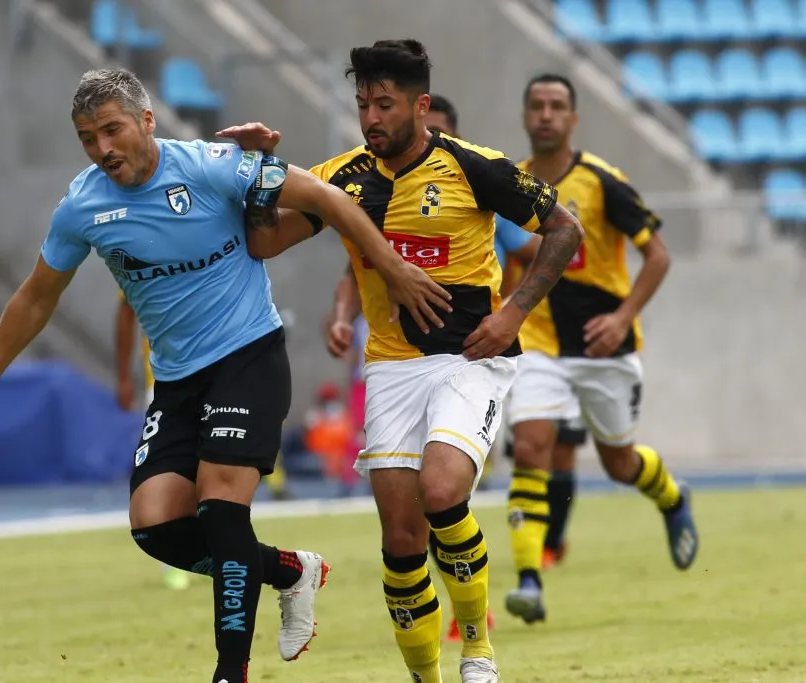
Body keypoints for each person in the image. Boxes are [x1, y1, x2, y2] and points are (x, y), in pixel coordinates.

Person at [0, 67, 449, 683]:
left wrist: (392, 268)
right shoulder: (82, 206)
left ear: (147, 122)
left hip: (248, 357)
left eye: (112, 130)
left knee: (219, 511)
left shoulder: (210, 166)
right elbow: (36, 297)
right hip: (178, 380)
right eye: (86, 137)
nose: (102, 149)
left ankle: (228, 673)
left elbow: (329, 198)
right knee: (156, 527)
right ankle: (290, 571)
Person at [223, 40, 583, 683]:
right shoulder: (340, 177)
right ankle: (427, 676)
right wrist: (261, 170)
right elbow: (263, 240)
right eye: (362, 104)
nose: (371, 118)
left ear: (419, 106)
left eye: (384, 104)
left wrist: (514, 313)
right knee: (401, 538)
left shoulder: (476, 166)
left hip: (470, 358)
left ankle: (477, 646)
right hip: (391, 368)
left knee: (443, 492)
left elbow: (566, 228)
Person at [502, 74, 699, 626]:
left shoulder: (603, 181)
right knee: (532, 442)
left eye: (557, 106)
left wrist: (622, 317)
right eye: (536, 105)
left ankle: (672, 497)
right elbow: (510, 260)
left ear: (573, 119)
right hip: (537, 339)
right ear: (524, 116)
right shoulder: (508, 184)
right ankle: (529, 579)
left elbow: (657, 256)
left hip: (601, 347)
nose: (546, 114)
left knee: (619, 463)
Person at [114, 290, 191, 591]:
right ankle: (174, 561)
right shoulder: (142, 248)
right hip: (164, 380)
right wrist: (123, 377)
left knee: (216, 467)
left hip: (218, 373)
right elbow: (124, 312)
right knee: (167, 471)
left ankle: (219, 551)